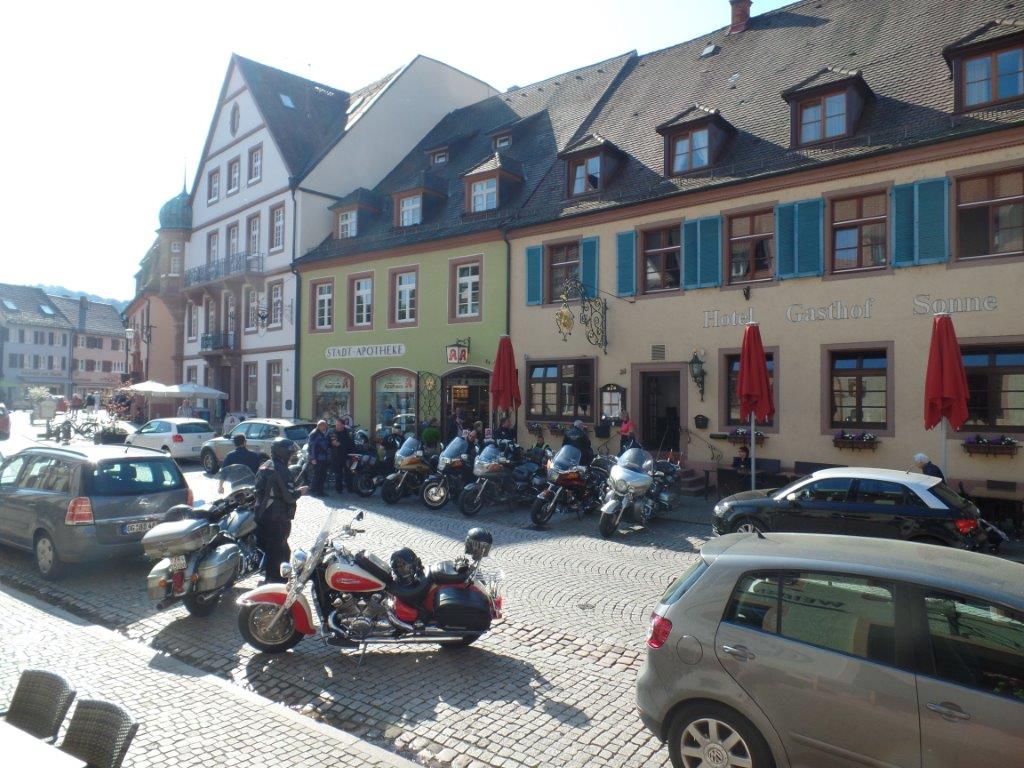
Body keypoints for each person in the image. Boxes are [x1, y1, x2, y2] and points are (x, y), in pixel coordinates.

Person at [253, 438, 308, 584]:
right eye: (290, 453)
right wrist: (300, 491)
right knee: (277, 552)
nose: (291, 456)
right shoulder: (281, 470)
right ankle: (274, 582)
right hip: (277, 517)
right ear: (283, 453)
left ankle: (278, 577)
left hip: (261, 513)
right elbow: (289, 497)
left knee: (281, 550)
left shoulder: (264, 465)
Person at [307, 420, 332, 496]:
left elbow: (326, 444)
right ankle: (313, 491)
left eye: (325, 426)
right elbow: (312, 447)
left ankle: (320, 491)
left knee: (323, 475)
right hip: (318, 458)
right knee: (317, 475)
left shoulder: (324, 432)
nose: (325, 427)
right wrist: (313, 458)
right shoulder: (314, 434)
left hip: (324, 458)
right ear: (320, 426)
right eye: (324, 425)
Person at [330, 418, 355, 494]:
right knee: (338, 474)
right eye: (336, 425)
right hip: (336, 456)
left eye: (339, 425)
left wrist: (351, 456)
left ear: (343, 425)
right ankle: (339, 489)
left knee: (349, 473)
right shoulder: (333, 432)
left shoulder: (348, 433)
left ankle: (350, 488)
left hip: (347, 456)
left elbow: (351, 445)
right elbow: (332, 443)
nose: (337, 426)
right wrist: (334, 444)